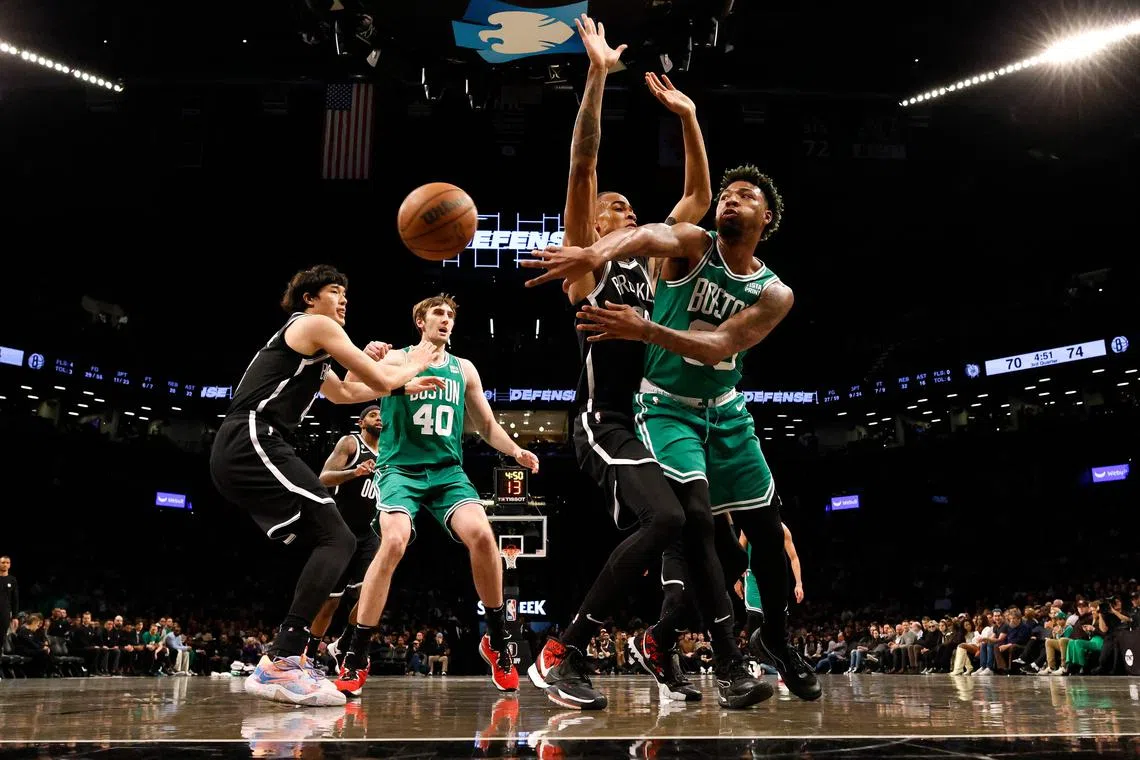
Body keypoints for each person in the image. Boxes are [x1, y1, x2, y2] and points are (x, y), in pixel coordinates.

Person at [524, 14, 770, 711]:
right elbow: (583, 163)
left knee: (703, 530)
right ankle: (562, 650)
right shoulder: (585, 266)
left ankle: (728, 665)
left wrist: (690, 117)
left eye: (630, 206)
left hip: (656, 417)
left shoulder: (656, 259)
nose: (625, 209)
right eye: (613, 209)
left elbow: (695, 199)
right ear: (592, 226)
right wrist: (597, 76)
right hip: (605, 420)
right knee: (664, 522)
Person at [523, 164, 822, 701]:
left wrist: (686, 115)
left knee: (746, 542)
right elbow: (607, 185)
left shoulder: (758, 288)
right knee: (684, 522)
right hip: (643, 411)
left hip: (725, 409)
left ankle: (756, 638)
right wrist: (594, 252)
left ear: (768, 217)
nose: (728, 201)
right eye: (615, 209)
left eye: (744, 195)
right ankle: (593, 649)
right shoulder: (634, 258)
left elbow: (718, 339)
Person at [209, 264, 445, 706]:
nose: (343, 301)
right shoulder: (313, 324)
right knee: (337, 536)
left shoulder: (314, 352)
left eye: (346, 295)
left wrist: (397, 381)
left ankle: (286, 657)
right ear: (309, 299)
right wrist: (416, 356)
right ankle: (281, 661)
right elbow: (379, 381)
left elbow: (345, 393)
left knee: (331, 538)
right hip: (252, 437)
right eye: (335, 292)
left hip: (252, 445)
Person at [335, 294, 540, 697]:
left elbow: (485, 424)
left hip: (447, 472)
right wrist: (366, 354)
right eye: (438, 314)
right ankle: (357, 652)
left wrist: (515, 451)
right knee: (392, 542)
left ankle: (497, 640)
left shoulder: (463, 369)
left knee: (483, 536)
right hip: (399, 469)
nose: (446, 320)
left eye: (450, 315)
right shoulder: (396, 359)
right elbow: (347, 387)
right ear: (420, 321)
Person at [315, 404, 384, 676]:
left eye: (382, 415)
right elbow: (323, 478)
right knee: (330, 603)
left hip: (370, 535)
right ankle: (309, 654)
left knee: (370, 597)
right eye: (373, 414)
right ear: (361, 422)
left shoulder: (389, 454)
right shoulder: (350, 443)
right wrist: (354, 473)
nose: (380, 418)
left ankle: (345, 645)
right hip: (342, 532)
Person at [734, 517, 804, 646]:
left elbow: (794, 558)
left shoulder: (782, 529)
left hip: (775, 578)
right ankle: (755, 658)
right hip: (753, 577)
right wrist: (737, 579)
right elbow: (739, 553)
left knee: (777, 621)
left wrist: (799, 584)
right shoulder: (748, 527)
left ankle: (778, 657)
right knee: (755, 617)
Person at [0, 555, 16, 640]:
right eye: (3, 562)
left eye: (7, 563)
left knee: (2, 635)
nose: (5, 564)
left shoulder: (12, 580)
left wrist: (15, 617)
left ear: (10, 565)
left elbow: (15, 599)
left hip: (5, 613)